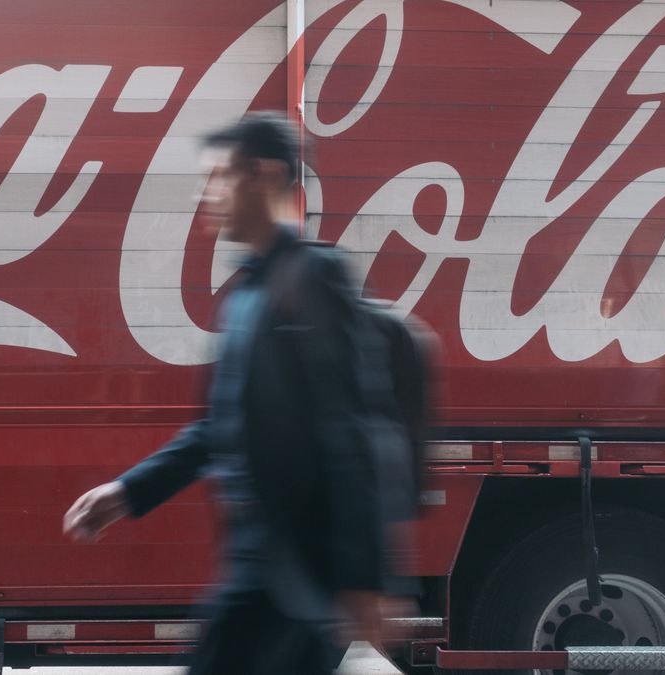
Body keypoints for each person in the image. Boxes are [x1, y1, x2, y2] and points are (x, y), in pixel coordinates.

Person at [63, 112, 414, 674]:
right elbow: (218, 429)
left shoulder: (313, 279)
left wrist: (362, 579)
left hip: (292, 573)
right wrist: (129, 492)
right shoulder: (248, 292)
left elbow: (352, 429)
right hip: (266, 569)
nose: (209, 194)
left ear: (266, 175)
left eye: (220, 176)